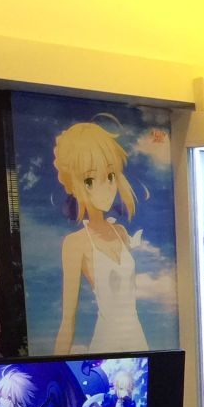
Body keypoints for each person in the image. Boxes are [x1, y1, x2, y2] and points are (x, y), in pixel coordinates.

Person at [52, 121, 151, 353]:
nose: (105, 187)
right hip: (107, 345)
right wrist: (55, 370)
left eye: (110, 176)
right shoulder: (75, 244)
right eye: (89, 180)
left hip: (138, 340)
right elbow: (68, 321)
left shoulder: (121, 233)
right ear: (73, 185)